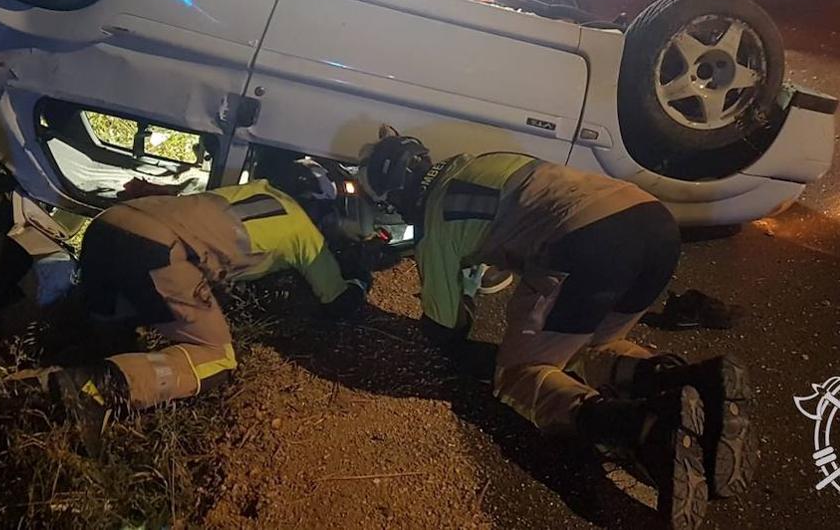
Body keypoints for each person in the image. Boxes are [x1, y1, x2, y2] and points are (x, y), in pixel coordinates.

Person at [357, 135, 755, 530]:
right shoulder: (483, 159)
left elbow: (444, 325)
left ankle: (647, 429)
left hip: (586, 243)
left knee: (523, 373)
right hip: (654, 224)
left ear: (399, 194)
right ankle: (692, 381)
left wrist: (456, 343)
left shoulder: (433, 219)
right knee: (593, 344)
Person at [45, 160, 370, 434]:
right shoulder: (306, 235)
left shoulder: (252, 189)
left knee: (112, 335)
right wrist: (359, 280)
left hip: (108, 225)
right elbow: (337, 302)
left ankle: (49, 377)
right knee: (216, 358)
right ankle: (90, 391)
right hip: (157, 250)